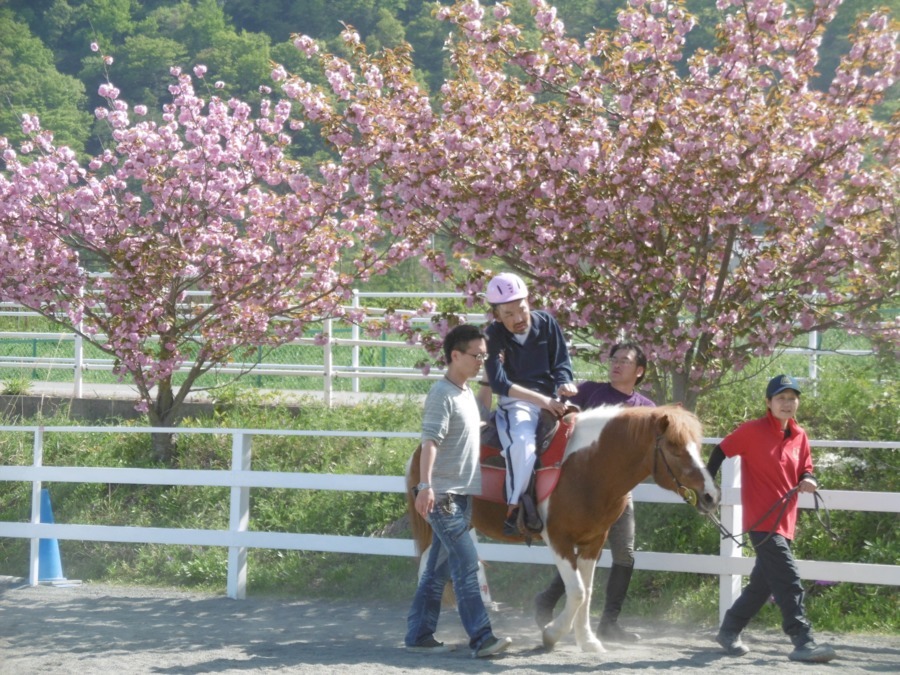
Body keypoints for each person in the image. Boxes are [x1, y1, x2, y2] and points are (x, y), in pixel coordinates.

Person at [706, 374, 836, 663]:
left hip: (787, 521)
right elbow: (720, 451)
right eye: (781, 398)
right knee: (788, 578)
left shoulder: (800, 435)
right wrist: (706, 484)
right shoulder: (751, 431)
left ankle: (729, 630)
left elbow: (806, 468)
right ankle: (803, 640)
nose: (787, 403)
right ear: (768, 402)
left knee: (762, 584)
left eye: (792, 398)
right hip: (762, 521)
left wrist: (809, 479)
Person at [533, 342, 654, 642]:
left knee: (624, 554)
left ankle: (608, 623)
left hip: (619, 496)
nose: (616, 364)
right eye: (613, 359)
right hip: (580, 493)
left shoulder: (645, 409)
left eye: (624, 361)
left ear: (639, 371)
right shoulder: (589, 391)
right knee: (582, 553)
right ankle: (548, 601)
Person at [405, 324, 512, 659]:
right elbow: (430, 442)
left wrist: (488, 382)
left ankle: (419, 633)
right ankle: (482, 639)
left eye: (484, 355)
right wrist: (425, 485)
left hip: (462, 495)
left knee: (437, 570)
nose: (481, 360)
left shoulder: (464, 391)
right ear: (455, 355)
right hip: (444, 496)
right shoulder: (441, 394)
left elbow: (480, 418)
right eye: (476, 355)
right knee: (466, 567)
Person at [483, 272, 577, 535]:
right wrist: (543, 400)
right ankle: (515, 507)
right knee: (523, 444)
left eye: (521, 309)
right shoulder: (492, 336)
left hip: (554, 399)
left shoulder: (546, 322)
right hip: (518, 402)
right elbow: (500, 384)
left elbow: (561, 362)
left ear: (529, 302)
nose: (518, 319)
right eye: (508, 313)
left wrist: (564, 382)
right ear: (497, 315)